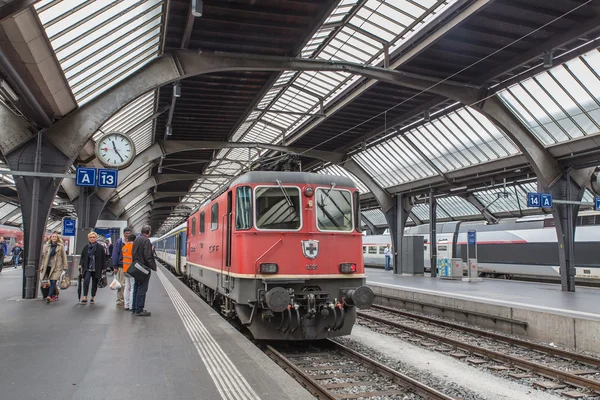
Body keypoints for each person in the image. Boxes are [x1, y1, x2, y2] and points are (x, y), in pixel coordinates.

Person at [132, 225, 156, 317]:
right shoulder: (146, 241)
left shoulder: (137, 240)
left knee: (136, 288)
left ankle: (135, 308)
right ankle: (139, 310)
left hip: (136, 267)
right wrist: (152, 267)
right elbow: (147, 256)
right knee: (142, 289)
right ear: (149, 232)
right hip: (143, 268)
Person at [78, 232, 106, 304]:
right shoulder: (86, 247)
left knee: (94, 283)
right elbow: (82, 256)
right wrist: (80, 264)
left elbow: (103, 258)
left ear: (96, 238)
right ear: (88, 238)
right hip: (87, 268)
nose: (92, 238)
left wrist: (104, 267)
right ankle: (85, 297)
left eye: (93, 237)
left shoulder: (100, 247)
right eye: (91, 237)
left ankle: (92, 297)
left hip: (97, 268)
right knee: (86, 281)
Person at [39, 233, 68, 303]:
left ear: (57, 238)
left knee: (53, 281)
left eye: (55, 237)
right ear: (51, 238)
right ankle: (55, 294)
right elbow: (44, 257)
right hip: (48, 266)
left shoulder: (60, 246)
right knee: (51, 282)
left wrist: (65, 265)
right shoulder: (48, 247)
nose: (54, 238)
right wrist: (42, 266)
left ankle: (49, 296)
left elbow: (64, 256)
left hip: (57, 267)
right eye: (53, 237)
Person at [111, 227, 132, 308]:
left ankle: (127, 301)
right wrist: (115, 266)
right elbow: (115, 254)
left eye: (129, 233)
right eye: (126, 233)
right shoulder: (120, 242)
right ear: (124, 233)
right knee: (122, 284)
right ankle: (120, 301)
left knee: (129, 285)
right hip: (121, 266)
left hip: (131, 267)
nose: (128, 235)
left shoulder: (132, 242)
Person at [122, 233, 136, 311]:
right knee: (133, 287)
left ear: (128, 239)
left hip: (125, 269)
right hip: (132, 270)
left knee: (127, 287)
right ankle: (131, 306)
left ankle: (126, 305)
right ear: (135, 240)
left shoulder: (124, 247)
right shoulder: (133, 247)